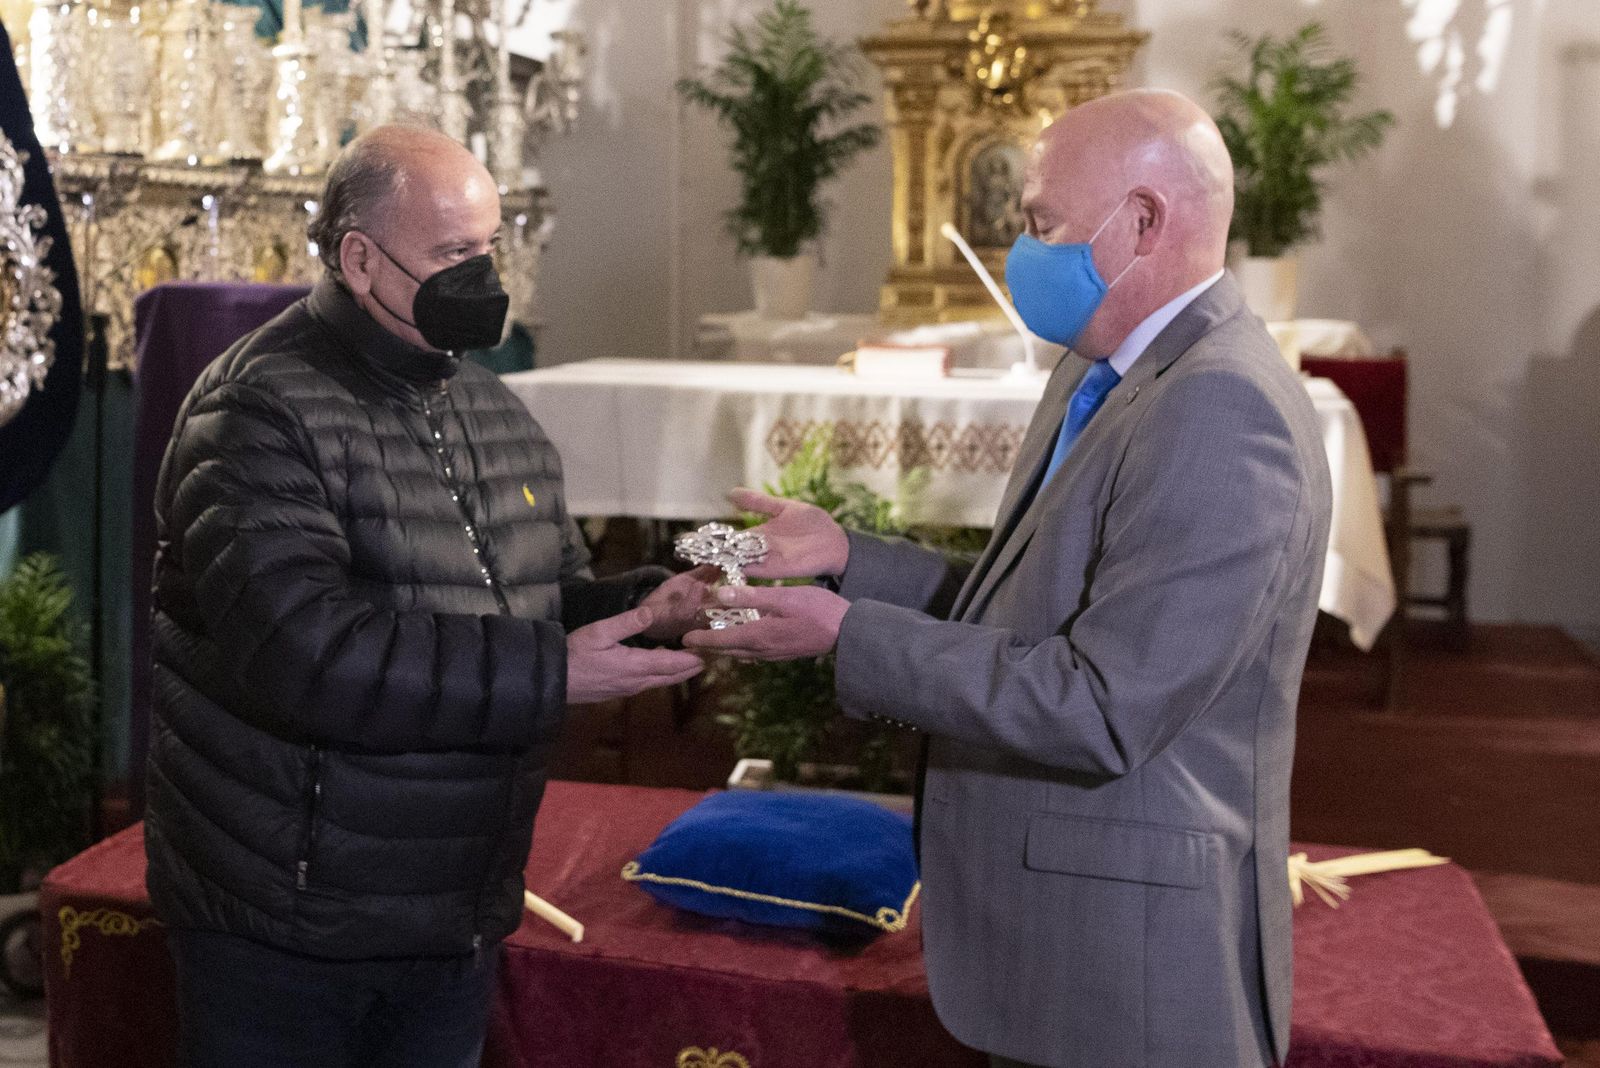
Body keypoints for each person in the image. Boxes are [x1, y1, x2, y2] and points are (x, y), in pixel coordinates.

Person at [686, 89, 1334, 1068]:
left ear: (1144, 221)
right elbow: (1032, 609)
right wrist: (850, 561)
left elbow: (1102, 705)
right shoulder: (1101, 369)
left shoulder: (1219, 409)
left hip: (1133, 973)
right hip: (1067, 936)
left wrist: (844, 633)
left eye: (1041, 225)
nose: (1018, 254)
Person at [144, 125, 711, 1068]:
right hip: (289, 914)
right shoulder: (254, 410)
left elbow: (537, 598)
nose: (482, 277)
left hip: (454, 902)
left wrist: (648, 607)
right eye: (454, 254)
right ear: (359, 259)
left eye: (491, 247)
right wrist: (553, 668)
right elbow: (310, 654)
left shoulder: (497, 411)